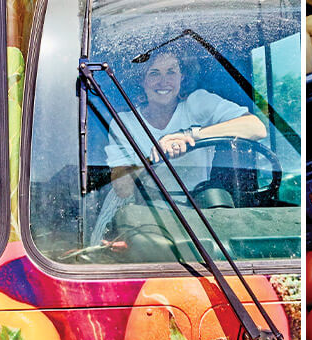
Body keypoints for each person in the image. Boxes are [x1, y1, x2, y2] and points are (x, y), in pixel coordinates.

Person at [90, 50, 266, 244]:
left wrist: (189, 135)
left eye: (171, 72)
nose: (164, 81)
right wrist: (153, 158)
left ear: (182, 77)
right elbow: (123, 189)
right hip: (137, 215)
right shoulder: (125, 122)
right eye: (154, 73)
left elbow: (256, 128)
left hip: (195, 214)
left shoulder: (198, 103)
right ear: (141, 80)